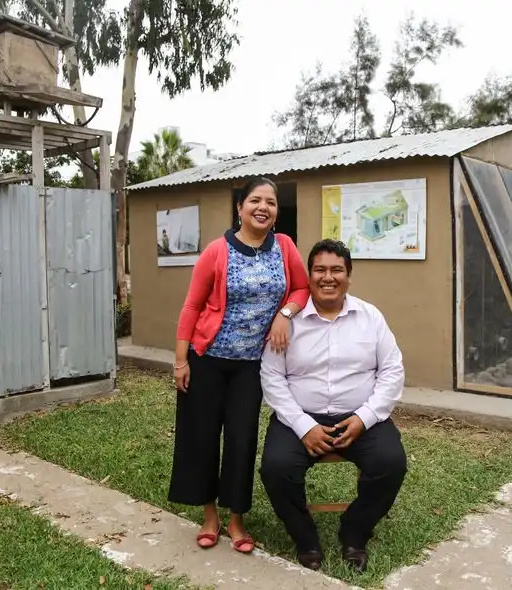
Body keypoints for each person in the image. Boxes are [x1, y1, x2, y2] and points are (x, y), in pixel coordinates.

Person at [169, 177, 309, 554]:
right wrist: (181, 360)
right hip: (207, 360)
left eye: (271, 202)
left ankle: (236, 519)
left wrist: (285, 314)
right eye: (255, 201)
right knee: (202, 438)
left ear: (276, 211)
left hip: (251, 366)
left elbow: (301, 288)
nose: (263, 207)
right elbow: (192, 306)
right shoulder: (217, 250)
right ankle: (210, 515)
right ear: (240, 207)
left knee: (242, 440)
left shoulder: (284, 247)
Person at [258, 239, 407, 573]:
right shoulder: (287, 322)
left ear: (348, 276)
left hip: (360, 417)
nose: (328, 277)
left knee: (391, 462)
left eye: (336, 270)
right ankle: (305, 538)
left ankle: (354, 533)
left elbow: (392, 370)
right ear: (309, 276)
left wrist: (364, 419)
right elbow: (271, 377)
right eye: (320, 270)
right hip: (298, 419)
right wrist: (303, 426)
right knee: (275, 469)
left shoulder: (370, 317)